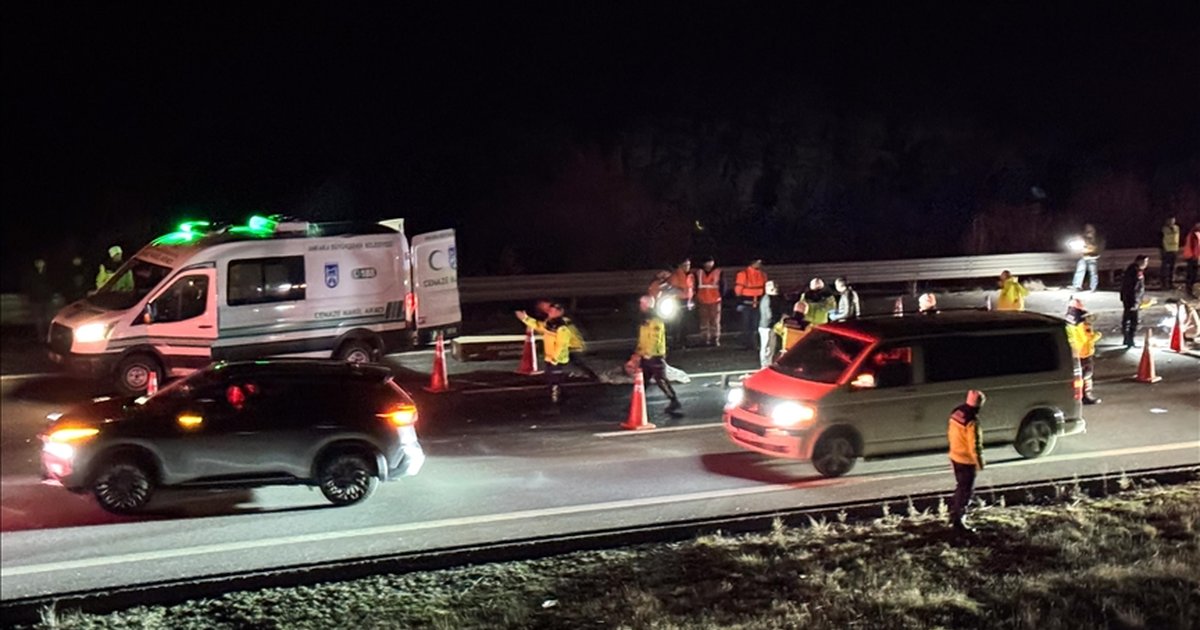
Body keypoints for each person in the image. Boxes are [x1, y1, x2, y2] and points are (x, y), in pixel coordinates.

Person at [516, 304, 579, 404]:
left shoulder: (562, 328)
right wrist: (525, 319)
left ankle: (557, 402)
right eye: (550, 311)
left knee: (555, 382)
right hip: (550, 358)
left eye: (553, 311)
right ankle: (562, 399)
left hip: (557, 360)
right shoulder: (549, 323)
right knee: (552, 380)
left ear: (559, 313)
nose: (550, 313)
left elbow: (561, 345)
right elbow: (538, 325)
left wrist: (555, 359)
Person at [631, 295, 682, 415]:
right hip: (646, 355)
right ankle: (636, 402)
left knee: (660, 379)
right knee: (644, 380)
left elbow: (655, 340)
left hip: (654, 356)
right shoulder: (645, 320)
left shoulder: (655, 321)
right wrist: (638, 352)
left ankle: (674, 400)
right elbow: (642, 338)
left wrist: (648, 353)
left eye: (642, 304)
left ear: (647, 305)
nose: (640, 306)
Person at [948, 389, 986, 535]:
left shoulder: (957, 413)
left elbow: (951, 434)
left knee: (960, 487)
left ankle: (954, 515)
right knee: (965, 491)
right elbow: (974, 445)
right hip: (966, 460)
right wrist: (979, 462)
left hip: (955, 456)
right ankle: (959, 521)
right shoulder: (972, 421)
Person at [1065, 298, 1102, 405]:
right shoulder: (1080, 324)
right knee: (1086, 376)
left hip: (1076, 354)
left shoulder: (1070, 321)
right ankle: (1086, 395)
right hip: (1084, 353)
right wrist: (1096, 335)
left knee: (1078, 376)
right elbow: (1086, 339)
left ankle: (1078, 396)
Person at [734, 258, 767, 350]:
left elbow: (764, 289)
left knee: (756, 325)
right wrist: (739, 302)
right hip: (746, 304)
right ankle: (747, 344)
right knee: (746, 325)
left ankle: (754, 343)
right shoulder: (743, 274)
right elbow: (738, 290)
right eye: (758, 262)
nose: (759, 264)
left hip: (759, 304)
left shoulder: (762, 274)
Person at [1119, 255, 1151, 347]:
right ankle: (1130, 339)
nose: (1146, 264)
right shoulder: (1135, 271)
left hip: (1129, 298)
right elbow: (1133, 288)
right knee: (1133, 320)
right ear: (1139, 261)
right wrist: (1135, 301)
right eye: (1145, 262)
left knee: (1127, 317)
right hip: (1131, 299)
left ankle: (1126, 338)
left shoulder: (1132, 269)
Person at [22, 257, 55, 343]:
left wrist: (50, 293)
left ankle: (49, 337)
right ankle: (41, 337)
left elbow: (53, 284)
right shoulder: (31, 274)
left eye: (41, 262)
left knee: (49, 318)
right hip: (35, 299)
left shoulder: (48, 273)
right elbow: (27, 286)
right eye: (38, 262)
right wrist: (30, 295)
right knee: (39, 320)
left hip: (46, 298)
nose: (40, 264)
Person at [694, 256, 723, 346]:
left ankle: (715, 339)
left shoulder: (718, 272)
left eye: (710, 262)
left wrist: (720, 296)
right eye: (707, 262)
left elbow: (722, 285)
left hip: (715, 300)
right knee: (704, 321)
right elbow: (695, 286)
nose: (708, 264)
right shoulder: (698, 273)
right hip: (702, 300)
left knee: (714, 321)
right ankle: (704, 339)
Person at [667, 259, 695, 349]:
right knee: (677, 322)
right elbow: (671, 288)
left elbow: (691, 287)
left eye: (689, 265)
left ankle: (684, 340)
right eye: (685, 265)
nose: (687, 267)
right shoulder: (675, 275)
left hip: (687, 300)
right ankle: (676, 340)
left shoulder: (690, 275)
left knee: (686, 322)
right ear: (680, 265)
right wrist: (680, 291)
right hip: (678, 300)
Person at [1069, 224, 1103, 292]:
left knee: (1093, 273)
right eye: (1087, 230)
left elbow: (1097, 248)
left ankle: (1093, 287)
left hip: (1093, 257)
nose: (1088, 231)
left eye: (1090, 230)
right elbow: (1074, 244)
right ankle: (1077, 286)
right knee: (1080, 271)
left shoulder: (1097, 239)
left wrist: (1087, 249)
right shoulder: (1082, 237)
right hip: (1083, 257)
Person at [757, 281, 783, 367]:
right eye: (773, 288)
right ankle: (765, 365)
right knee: (767, 347)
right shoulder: (768, 299)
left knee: (770, 347)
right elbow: (769, 314)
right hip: (767, 327)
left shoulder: (770, 298)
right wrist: (778, 320)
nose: (775, 290)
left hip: (768, 326)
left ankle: (768, 364)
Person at [1160, 217, 1180, 290]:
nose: (1172, 222)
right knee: (1165, 268)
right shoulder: (1163, 229)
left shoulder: (1177, 228)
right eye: (1170, 221)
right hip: (1166, 250)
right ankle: (1164, 284)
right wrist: (1162, 249)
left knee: (1172, 268)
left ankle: (1171, 283)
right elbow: (1160, 240)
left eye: (1173, 220)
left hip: (1174, 250)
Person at [1182, 223, 1200, 298]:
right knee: (1192, 274)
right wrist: (1195, 256)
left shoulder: (1196, 233)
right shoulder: (1194, 234)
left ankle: (1190, 290)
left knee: (1193, 274)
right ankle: (1189, 291)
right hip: (1192, 257)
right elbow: (1193, 246)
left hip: (1194, 256)